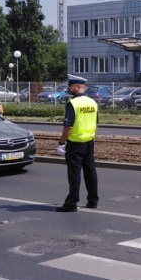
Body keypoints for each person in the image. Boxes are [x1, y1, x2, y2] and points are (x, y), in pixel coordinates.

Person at [55, 75, 99, 212]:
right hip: (89, 142)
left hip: (75, 144)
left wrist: (61, 143)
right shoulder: (92, 102)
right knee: (90, 172)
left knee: (74, 174)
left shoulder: (72, 103)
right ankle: (93, 200)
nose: (69, 88)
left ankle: (71, 203)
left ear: (77, 87)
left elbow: (68, 126)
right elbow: (95, 122)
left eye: (71, 86)